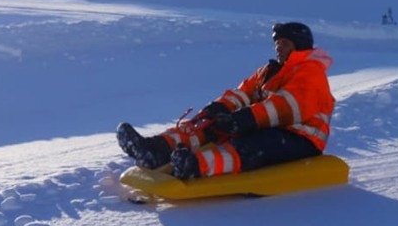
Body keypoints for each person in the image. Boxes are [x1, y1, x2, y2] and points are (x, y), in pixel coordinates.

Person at [116, 22, 335, 180]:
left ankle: (194, 166)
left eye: (285, 43)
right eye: (277, 43)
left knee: (251, 145)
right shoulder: (269, 71)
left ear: (299, 46)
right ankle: (153, 150)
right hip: (269, 124)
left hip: (301, 136)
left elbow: (288, 106)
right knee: (208, 125)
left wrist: (245, 118)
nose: (278, 47)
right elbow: (244, 92)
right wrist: (220, 109)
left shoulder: (310, 71)